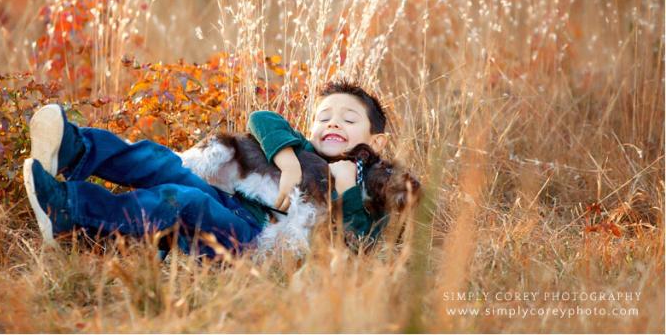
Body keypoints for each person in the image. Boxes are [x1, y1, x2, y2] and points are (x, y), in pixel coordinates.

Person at [24, 80, 396, 256]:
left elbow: (359, 246)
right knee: (162, 164)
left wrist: (348, 190)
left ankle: (69, 210)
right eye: (324, 117)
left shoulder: (376, 188)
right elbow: (262, 118)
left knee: (184, 199)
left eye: (348, 120)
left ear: (376, 142)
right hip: (231, 206)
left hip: (254, 243)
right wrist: (289, 165)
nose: (332, 124)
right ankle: (73, 148)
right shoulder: (300, 150)